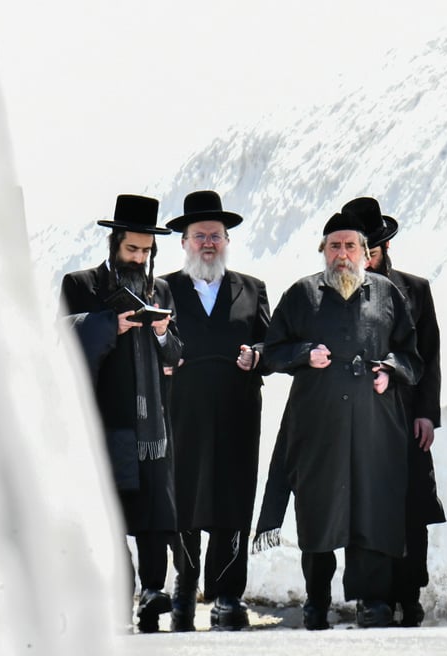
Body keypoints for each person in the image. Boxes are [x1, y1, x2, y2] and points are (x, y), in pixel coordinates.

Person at [260, 211, 422, 630]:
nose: (342, 254)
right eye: (334, 246)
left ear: (367, 255)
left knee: (373, 510)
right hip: (318, 427)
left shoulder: (387, 295)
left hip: (374, 427)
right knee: (319, 513)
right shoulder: (301, 294)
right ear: (323, 251)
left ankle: (374, 602)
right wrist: (304, 355)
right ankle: (316, 602)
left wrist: (390, 370)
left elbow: (411, 356)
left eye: (351, 246)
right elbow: (272, 350)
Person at [59, 194, 182, 634]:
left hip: (152, 425)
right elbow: (66, 342)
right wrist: (110, 325)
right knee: (111, 512)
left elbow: (175, 354)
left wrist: (164, 332)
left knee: (155, 513)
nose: (140, 257)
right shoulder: (82, 284)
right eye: (132, 249)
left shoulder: (161, 290)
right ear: (114, 244)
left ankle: (153, 590)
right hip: (106, 420)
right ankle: (117, 592)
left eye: (147, 251)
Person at [160, 190, 272, 632]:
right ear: (184, 242)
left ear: (227, 241)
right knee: (183, 499)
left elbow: (272, 342)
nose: (209, 243)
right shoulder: (162, 288)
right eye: (200, 235)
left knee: (233, 498)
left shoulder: (252, 288)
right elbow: (145, 344)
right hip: (181, 409)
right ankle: (184, 592)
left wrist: (257, 356)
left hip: (237, 409)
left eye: (216, 236)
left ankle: (228, 595)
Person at [342, 196, 446, 627]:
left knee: (410, 508)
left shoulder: (415, 289)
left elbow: (431, 356)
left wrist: (427, 414)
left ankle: (409, 593)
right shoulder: (336, 293)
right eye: (357, 250)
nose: (365, 258)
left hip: (405, 418)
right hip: (359, 423)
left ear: (383, 249)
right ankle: (373, 596)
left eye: (373, 250)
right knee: (364, 507)